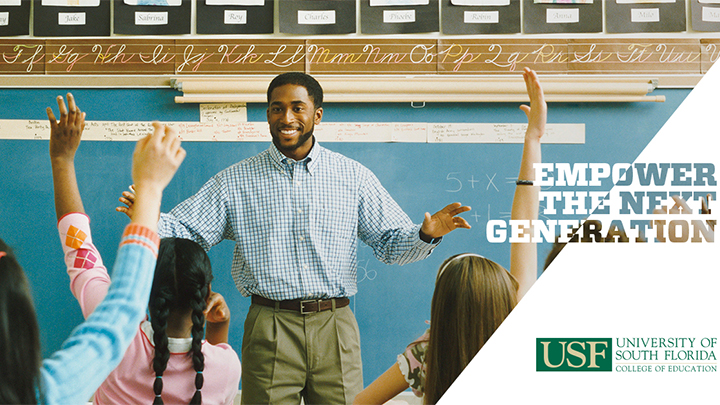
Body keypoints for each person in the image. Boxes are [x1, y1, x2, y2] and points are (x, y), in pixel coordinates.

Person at [117, 72, 472, 404]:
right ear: (268, 115)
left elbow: (391, 244)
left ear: (317, 115)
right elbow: (187, 231)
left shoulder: (353, 177)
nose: (286, 117)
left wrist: (425, 234)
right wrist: (146, 211)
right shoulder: (235, 182)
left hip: (336, 325)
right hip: (270, 324)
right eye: (277, 108)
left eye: (297, 107)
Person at [353, 67, 546, 405]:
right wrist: (533, 139)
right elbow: (525, 224)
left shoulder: (428, 354)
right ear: (503, 299)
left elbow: (360, 403)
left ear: (442, 308)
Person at [49, 94, 241, 405]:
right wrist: (220, 328)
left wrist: (62, 159)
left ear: (142, 287)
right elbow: (217, 363)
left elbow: (78, 246)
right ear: (205, 296)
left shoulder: (112, 339)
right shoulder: (226, 368)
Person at [0, 96, 184, 404]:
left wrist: (62, 161)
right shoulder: (44, 392)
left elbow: (121, 305)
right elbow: (122, 312)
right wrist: (150, 188)